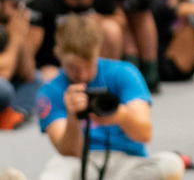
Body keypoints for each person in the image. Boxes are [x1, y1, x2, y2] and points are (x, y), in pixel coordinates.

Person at [34, 14, 185, 180]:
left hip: (128, 162)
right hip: (82, 161)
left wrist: (119, 114)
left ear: (97, 52)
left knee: (172, 164)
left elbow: (144, 134)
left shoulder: (123, 73)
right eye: (73, 67)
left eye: (88, 66)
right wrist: (73, 117)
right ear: (58, 53)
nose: (82, 75)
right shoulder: (50, 91)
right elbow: (69, 152)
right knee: (57, 168)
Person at [28, 0, 122, 82]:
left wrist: (100, 20)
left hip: (89, 62)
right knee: (48, 77)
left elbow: (120, 18)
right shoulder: (43, 2)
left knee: (111, 29)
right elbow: (30, 49)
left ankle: (106, 81)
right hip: (54, 65)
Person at [0, 0, 37, 128]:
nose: (19, 12)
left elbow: (28, 74)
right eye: (14, 5)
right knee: (4, 89)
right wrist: (15, 40)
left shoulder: (9, 25)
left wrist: (23, 35)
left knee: (37, 79)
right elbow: (3, 75)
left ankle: (14, 114)